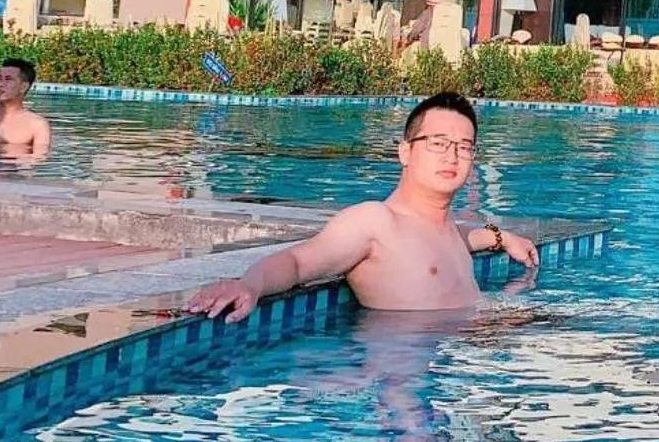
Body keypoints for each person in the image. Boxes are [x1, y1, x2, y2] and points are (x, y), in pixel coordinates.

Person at [186, 92, 539, 321]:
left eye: (464, 147)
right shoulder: (374, 223)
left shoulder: (444, 228)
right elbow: (298, 262)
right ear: (405, 151)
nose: (452, 155)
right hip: (412, 370)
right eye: (438, 143)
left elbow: (452, 241)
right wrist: (250, 284)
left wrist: (500, 237)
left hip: (469, 352)